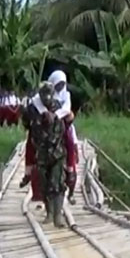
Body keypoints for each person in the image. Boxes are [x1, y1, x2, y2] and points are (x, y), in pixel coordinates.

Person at [22, 70, 79, 204]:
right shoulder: (43, 94)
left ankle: (70, 170)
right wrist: (45, 113)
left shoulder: (66, 94)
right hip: (42, 123)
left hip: (60, 123)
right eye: (58, 84)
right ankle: (27, 173)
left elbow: (67, 109)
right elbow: (36, 102)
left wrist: (56, 116)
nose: (60, 87)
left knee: (69, 141)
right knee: (30, 144)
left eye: (62, 84)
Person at [24, 82, 68, 226]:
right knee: (44, 184)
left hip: (57, 153)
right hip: (42, 153)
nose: (47, 97)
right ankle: (49, 213)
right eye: (44, 94)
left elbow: (67, 127)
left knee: (58, 184)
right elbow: (27, 126)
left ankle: (58, 215)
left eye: (49, 94)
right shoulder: (33, 110)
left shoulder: (60, 108)